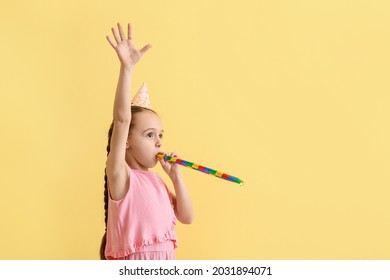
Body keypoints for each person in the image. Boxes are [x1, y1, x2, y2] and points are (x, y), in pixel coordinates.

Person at [100, 22, 194, 260]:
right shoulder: (121, 176)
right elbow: (121, 119)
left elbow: (187, 217)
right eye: (149, 134)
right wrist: (127, 69)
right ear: (127, 141)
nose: (159, 142)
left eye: (161, 135)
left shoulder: (158, 182)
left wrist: (176, 177)